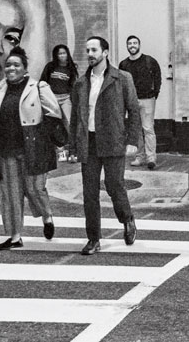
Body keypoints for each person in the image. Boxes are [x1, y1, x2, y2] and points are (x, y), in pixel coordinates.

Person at [0, 47, 65, 250]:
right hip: (6, 150)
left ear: (25, 69)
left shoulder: (38, 87)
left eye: (16, 65)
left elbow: (54, 115)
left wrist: (46, 139)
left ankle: (47, 216)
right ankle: (15, 236)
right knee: (11, 194)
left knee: (35, 188)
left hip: (33, 148)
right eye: (8, 65)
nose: (11, 68)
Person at [69, 36, 143, 255]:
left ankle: (127, 218)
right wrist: (73, 145)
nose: (90, 54)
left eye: (94, 50)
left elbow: (134, 110)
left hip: (113, 140)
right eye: (87, 50)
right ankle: (93, 239)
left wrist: (132, 140)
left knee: (114, 186)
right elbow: (75, 116)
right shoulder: (81, 83)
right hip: (89, 143)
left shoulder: (121, 78)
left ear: (105, 52)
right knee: (89, 193)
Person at [119, 35, 162, 170]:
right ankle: (140, 157)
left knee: (148, 128)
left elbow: (158, 78)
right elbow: (121, 83)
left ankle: (151, 158)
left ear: (139, 45)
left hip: (147, 99)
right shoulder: (123, 64)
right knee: (136, 130)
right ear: (127, 46)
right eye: (130, 43)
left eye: (135, 43)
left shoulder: (150, 61)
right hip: (131, 101)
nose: (132, 45)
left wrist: (155, 94)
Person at [41, 44, 80, 162]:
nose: (62, 55)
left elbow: (73, 85)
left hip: (65, 98)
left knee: (69, 123)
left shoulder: (71, 68)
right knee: (54, 125)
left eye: (64, 53)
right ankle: (60, 150)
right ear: (56, 55)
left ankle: (74, 151)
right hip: (52, 99)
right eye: (59, 53)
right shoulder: (50, 66)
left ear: (67, 54)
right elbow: (43, 81)